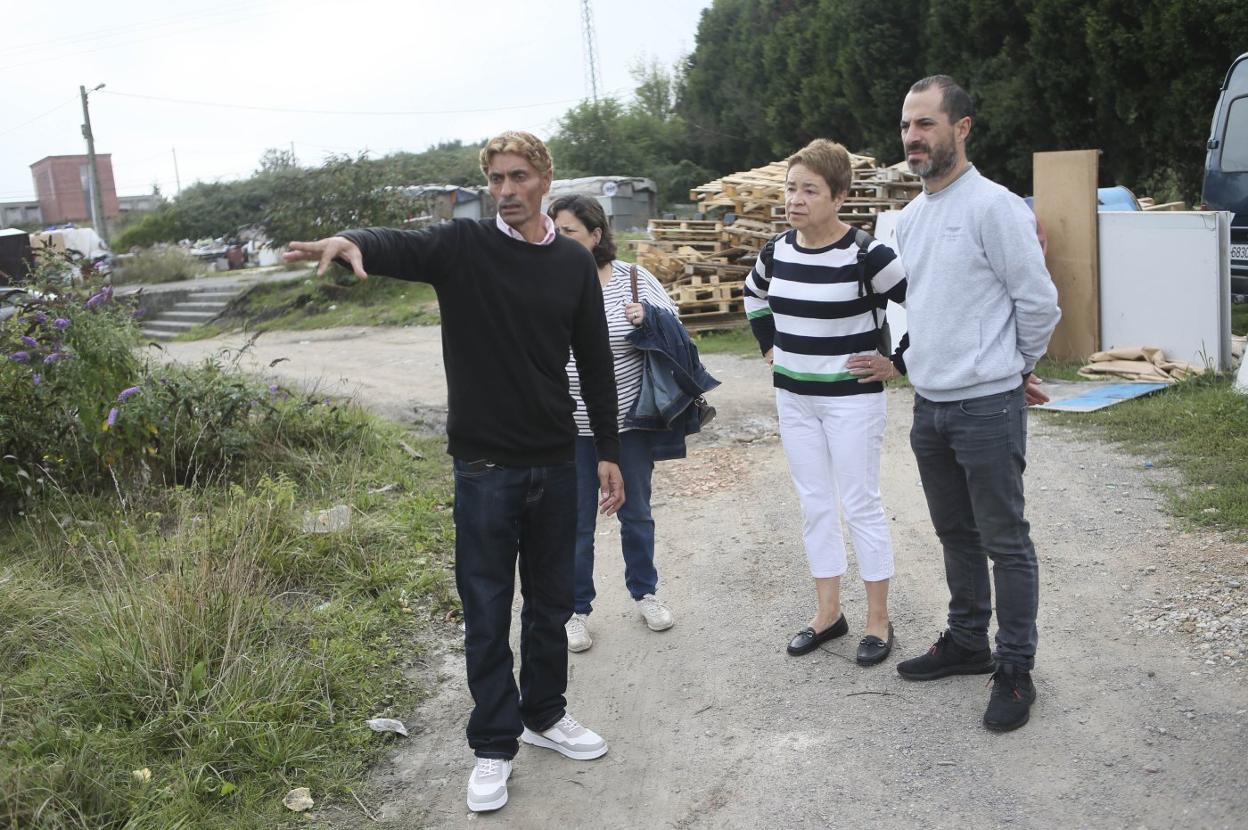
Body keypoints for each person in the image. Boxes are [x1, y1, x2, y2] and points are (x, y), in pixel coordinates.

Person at [284, 131, 626, 813]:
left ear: (545, 178)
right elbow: (395, 245)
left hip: (557, 462)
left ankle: (545, 716)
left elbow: (594, 362)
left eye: (519, 176)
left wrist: (609, 450)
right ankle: (494, 745)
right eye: (496, 178)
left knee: (553, 603)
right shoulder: (464, 248)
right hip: (485, 468)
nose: (506, 190)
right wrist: (351, 242)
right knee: (488, 609)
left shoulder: (569, 264)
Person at [849, 75, 1060, 731]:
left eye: (927, 124)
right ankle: (968, 642)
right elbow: (925, 313)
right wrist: (911, 364)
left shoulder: (994, 208)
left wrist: (1013, 368)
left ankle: (1016, 669)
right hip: (931, 410)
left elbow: (1038, 302)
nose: (913, 137)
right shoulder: (908, 219)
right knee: (954, 535)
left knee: (1006, 542)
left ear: (961, 128)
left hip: (987, 410)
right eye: (907, 126)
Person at [743, 138, 907, 667]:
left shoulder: (868, 254)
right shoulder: (777, 250)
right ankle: (828, 614)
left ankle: (877, 621)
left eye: (809, 190)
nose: (795, 199)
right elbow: (754, 293)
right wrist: (770, 344)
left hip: (852, 401)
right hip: (794, 400)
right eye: (791, 188)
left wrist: (899, 362)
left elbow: (923, 302)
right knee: (815, 503)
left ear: (839, 196)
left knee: (860, 503)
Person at [547, 194, 680, 653]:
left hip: (630, 424)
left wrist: (649, 318)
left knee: (636, 514)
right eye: (554, 230)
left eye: (569, 231)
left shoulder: (632, 279)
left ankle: (645, 592)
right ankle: (575, 611)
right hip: (571, 429)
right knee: (576, 524)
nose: (559, 238)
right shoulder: (547, 281)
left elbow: (676, 328)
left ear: (596, 235)